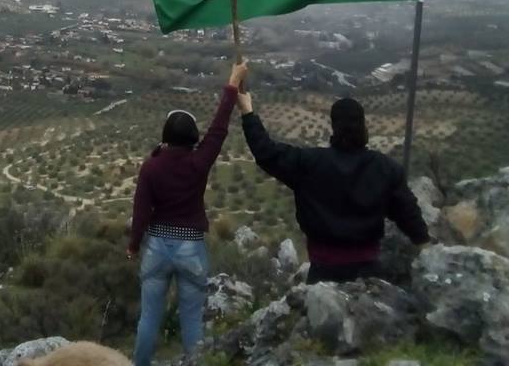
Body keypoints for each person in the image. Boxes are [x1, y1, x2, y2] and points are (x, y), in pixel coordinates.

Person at [238, 92, 429, 284]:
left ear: (333, 126)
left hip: (322, 276)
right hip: (370, 278)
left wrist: (247, 111)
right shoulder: (386, 168)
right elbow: (408, 214)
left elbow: (266, 152)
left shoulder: (308, 163)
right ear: (363, 126)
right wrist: (427, 250)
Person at [128, 61, 248, 366]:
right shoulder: (198, 162)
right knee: (192, 322)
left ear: (166, 136)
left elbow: (141, 211)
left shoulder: (151, 167)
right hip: (191, 247)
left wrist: (132, 245)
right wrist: (232, 83)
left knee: (148, 320)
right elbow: (219, 127)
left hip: (156, 246)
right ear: (193, 136)